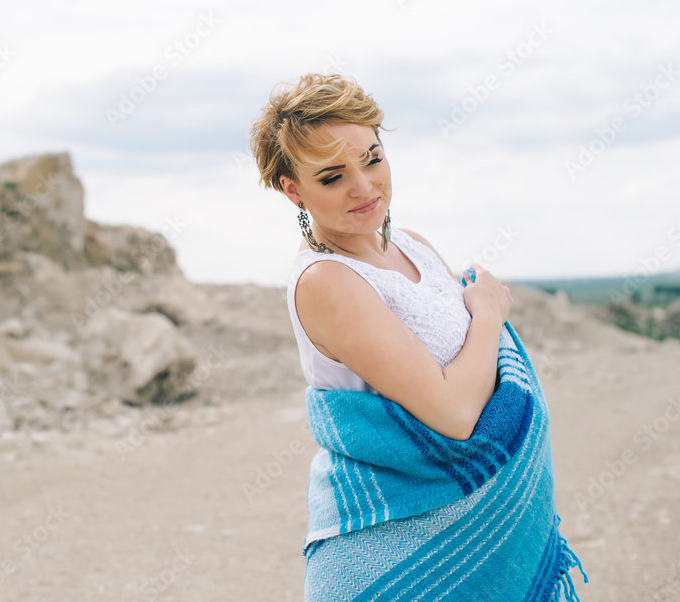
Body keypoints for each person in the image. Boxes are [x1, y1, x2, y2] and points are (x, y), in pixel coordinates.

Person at [248, 73, 586, 601]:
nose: (364, 187)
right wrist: (490, 314)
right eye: (333, 177)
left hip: (471, 535)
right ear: (294, 189)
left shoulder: (414, 245)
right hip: (393, 555)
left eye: (373, 159)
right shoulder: (327, 281)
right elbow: (454, 415)